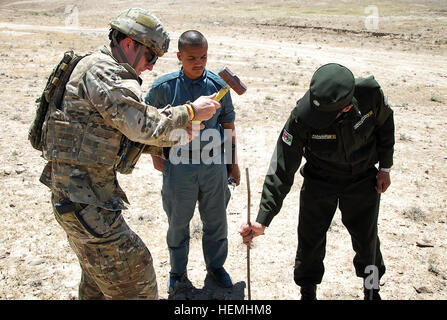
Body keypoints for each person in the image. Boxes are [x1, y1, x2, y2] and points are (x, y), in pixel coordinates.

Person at [38, 8, 221, 300]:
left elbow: (114, 133)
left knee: (98, 283)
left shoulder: (97, 68)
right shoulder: (103, 71)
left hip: (79, 198)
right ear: (129, 44)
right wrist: (190, 112)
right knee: (136, 277)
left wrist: (176, 135)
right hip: (86, 202)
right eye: (150, 57)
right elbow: (140, 125)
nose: (149, 67)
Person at [239, 63, 395, 300]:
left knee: (367, 241)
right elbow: (282, 167)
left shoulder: (369, 93)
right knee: (310, 240)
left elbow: (385, 125)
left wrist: (385, 167)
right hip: (320, 181)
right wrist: (263, 219)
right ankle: (308, 291)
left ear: (347, 107)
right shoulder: (302, 117)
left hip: (363, 179)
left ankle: (371, 289)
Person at [145, 30, 239, 293]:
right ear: (179, 57)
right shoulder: (164, 88)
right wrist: (156, 155)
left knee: (217, 221)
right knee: (177, 223)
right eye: (192, 58)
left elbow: (228, 125)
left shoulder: (220, 87)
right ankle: (177, 273)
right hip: (179, 168)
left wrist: (233, 164)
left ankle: (216, 268)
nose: (199, 63)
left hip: (213, 167)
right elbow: (149, 123)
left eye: (204, 57)